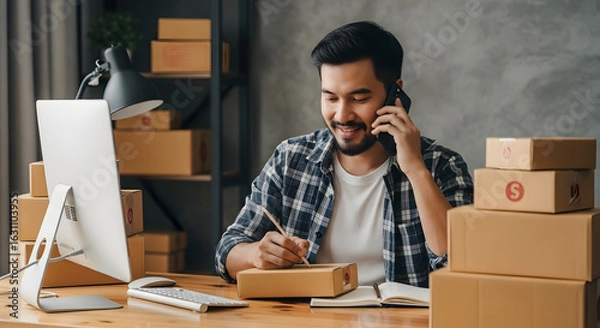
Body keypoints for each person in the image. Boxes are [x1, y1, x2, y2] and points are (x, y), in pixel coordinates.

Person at [215, 21, 473, 287]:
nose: (342, 116)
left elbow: (461, 266)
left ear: (395, 93)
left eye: (358, 99)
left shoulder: (442, 165)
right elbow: (226, 253)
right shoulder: (290, 160)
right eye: (331, 98)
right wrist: (255, 255)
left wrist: (416, 170)